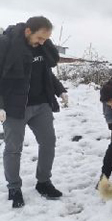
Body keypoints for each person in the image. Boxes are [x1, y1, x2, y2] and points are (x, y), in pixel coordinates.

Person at [0, 16, 68, 208]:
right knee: (13, 149)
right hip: (14, 107)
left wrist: (60, 89)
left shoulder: (43, 47)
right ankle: (14, 187)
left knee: (48, 143)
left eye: (46, 39)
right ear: (28, 31)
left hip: (41, 104)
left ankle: (43, 182)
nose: (42, 42)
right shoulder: (6, 45)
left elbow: (46, 72)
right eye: (39, 38)